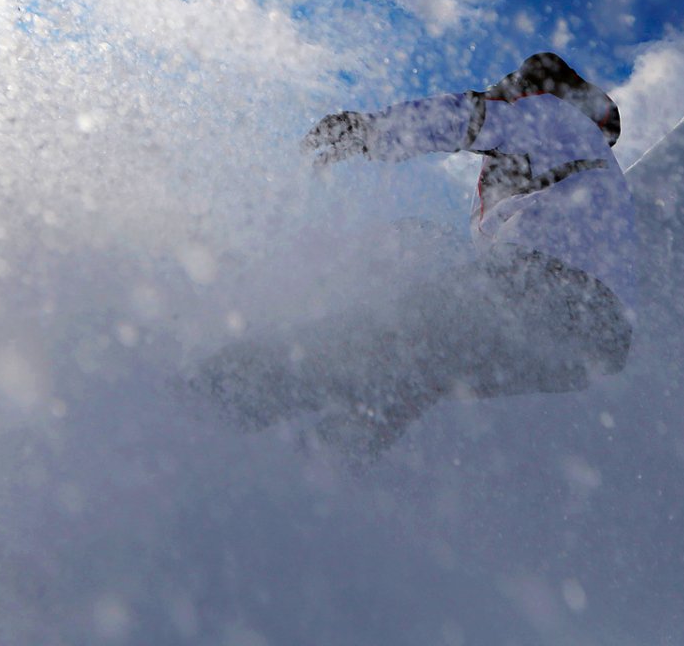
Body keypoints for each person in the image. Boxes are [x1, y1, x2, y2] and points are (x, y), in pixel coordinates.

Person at [193, 53, 639, 464]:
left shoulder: (549, 115)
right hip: (591, 342)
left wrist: (368, 131)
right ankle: (324, 465)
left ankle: (214, 399)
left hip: (542, 285)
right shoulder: (582, 172)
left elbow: (466, 117)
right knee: (414, 371)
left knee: (372, 339)